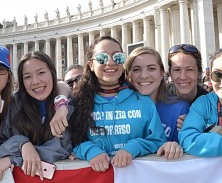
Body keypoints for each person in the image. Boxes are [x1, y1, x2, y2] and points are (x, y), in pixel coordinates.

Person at [70, 36, 167, 172]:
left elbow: (158, 141)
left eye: (118, 57)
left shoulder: (144, 102)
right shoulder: (77, 102)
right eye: (102, 58)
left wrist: (134, 147)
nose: (110, 62)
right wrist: (89, 150)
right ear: (91, 65)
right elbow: (70, 143)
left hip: (135, 182)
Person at [0, 52, 73, 181]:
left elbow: (63, 147)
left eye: (41, 73)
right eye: (27, 77)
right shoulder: (13, 106)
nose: (35, 81)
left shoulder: (66, 106)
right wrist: (22, 144)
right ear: (21, 81)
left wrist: (15, 158)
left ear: (52, 73)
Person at [125, 46, 188, 158]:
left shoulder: (179, 109)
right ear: (128, 75)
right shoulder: (118, 108)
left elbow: (188, 150)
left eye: (151, 68)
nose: (144, 75)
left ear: (162, 73)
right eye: (136, 69)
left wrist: (174, 146)